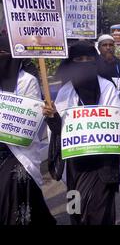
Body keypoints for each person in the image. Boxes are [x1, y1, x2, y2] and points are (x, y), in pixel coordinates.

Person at [44, 41, 120, 225]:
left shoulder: (107, 88)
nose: (84, 63)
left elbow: (116, 122)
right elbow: (60, 133)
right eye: (79, 59)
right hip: (76, 168)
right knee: (75, 211)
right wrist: (52, 118)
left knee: (100, 213)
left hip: (103, 166)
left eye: (89, 59)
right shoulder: (65, 93)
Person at [0, 37, 55, 225]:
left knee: (13, 193)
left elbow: (31, 121)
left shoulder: (26, 81)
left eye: (4, 55)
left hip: (17, 152)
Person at [96, 34, 120, 107]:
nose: (108, 48)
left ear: (114, 47)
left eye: (111, 45)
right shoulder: (94, 64)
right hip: (101, 104)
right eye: (104, 45)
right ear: (99, 48)